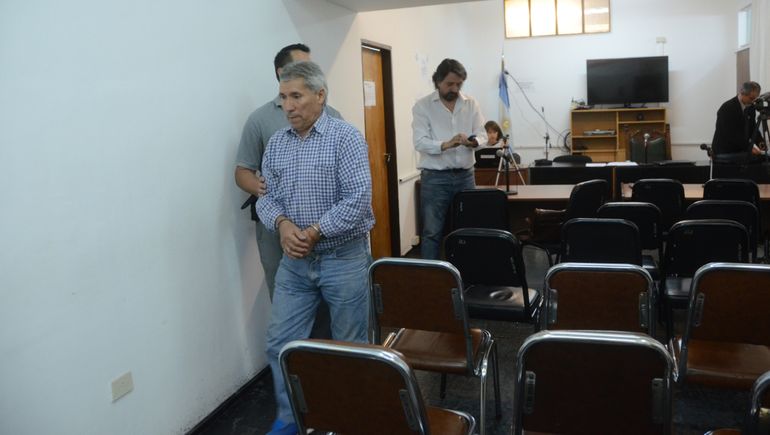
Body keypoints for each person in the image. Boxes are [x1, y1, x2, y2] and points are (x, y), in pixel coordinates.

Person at [255, 60, 374, 435]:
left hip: (344, 258)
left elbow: (358, 199)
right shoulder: (277, 143)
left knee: (349, 347)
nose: (287, 106)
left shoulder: (345, 138)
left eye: (296, 96)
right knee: (280, 344)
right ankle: (291, 419)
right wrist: (283, 224)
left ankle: (352, 420)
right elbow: (265, 198)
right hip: (295, 264)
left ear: (320, 95)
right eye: (283, 97)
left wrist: (316, 231)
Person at [234, 43, 341, 338]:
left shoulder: (332, 115)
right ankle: (296, 358)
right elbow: (242, 171)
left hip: (325, 230)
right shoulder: (260, 119)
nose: (312, 71)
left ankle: (326, 356)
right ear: (281, 73)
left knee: (330, 305)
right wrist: (264, 190)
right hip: (276, 230)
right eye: (302, 66)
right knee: (286, 303)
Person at [412, 58, 487, 259]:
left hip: (465, 176)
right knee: (432, 232)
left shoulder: (471, 103)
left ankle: (466, 272)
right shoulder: (423, 106)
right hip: (435, 178)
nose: (454, 88)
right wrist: (446, 144)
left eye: (458, 84)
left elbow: (483, 135)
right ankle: (432, 275)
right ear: (438, 81)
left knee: (468, 229)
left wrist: (473, 142)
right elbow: (419, 142)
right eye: (449, 84)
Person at [712, 81, 764, 163]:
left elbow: (753, 128)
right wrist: (749, 148)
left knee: (764, 158)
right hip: (724, 151)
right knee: (756, 159)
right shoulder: (727, 108)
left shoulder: (751, 107)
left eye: (755, 99)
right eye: (751, 98)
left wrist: (760, 142)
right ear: (742, 93)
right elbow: (731, 134)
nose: (753, 101)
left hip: (739, 150)